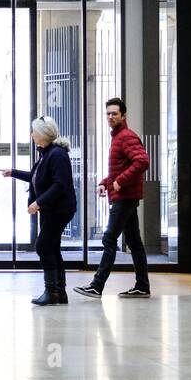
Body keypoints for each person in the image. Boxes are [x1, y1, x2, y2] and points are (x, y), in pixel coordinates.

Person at [76, 97, 152, 299]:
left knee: (109, 238)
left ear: (123, 115)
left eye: (114, 113)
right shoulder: (118, 137)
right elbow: (121, 167)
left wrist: (120, 181)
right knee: (134, 242)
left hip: (125, 197)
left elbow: (143, 161)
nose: (110, 117)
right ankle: (142, 286)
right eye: (108, 113)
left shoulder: (126, 136)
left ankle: (96, 285)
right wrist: (105, 182)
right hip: (124, 195)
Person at [0, 117, 77, 306]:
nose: (32, 135)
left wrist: (38, 203)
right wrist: (13, 172)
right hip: (52, 209)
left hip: (58, 210)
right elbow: (36, 177)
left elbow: (60, 185)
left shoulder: (57, 155)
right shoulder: (47, 153)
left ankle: (52, 292)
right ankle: (59, 292)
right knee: (52, 247)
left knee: (43, 246)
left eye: (34, 132)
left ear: (42, 134)